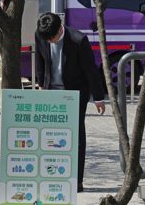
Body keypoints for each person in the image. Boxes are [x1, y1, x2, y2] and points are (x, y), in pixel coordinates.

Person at [35, 12, 106, 193]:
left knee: (76, 135)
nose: (51, 41)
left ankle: (77, 180)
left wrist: (98, 98)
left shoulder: (78, 40)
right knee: (50, 134)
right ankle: (52, 175)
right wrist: (40, 83)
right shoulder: (41, 34)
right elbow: (40, 59)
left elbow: (91, 70)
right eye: (48, 39)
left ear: (60, 28)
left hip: (75, 91)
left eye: (54, 38)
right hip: (51, 89)